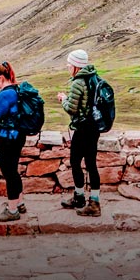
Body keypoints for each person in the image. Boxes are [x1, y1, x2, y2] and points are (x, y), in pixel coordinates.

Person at [56, 48, 101, 217]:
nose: (68, 67)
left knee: (75, 162)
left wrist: (63, 99)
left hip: (83, 129)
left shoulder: (78, 83)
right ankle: (93, 200)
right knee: (91, 164)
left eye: (69, 65)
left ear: (76, 66)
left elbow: (71, 109)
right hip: (94, 128)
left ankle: (80, 198)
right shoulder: (95, 78)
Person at [0, 61, 27, 222]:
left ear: (1, 77)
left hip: (6, 139)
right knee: (14, 171)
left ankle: (12, 209)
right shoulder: (14, 90)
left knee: (9, 173)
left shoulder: (4, 94)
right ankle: (20, 202)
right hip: (17, 137)